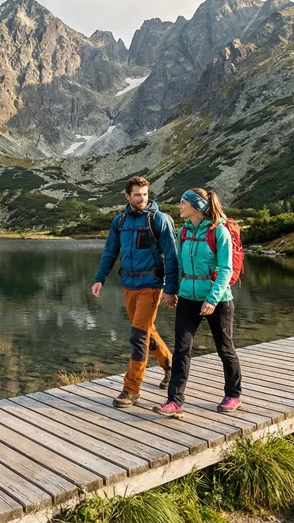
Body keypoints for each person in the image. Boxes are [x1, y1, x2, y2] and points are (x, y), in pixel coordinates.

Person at [91, 176, 180, 408]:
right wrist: (100, 278)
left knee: (138, 336)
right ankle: (169, 364)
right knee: (146, 330)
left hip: (151, 285)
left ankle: (131, 389)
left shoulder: (158, 220)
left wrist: (171, 289)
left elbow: (172, 256)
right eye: (138, 194)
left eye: (145, 194)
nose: (142, 199)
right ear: (127, 196)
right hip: (128, 285)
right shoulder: (119, 222)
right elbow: (110, 251)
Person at [153, 187, 242, 417]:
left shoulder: (218, 232)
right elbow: (180, 266)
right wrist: (172, 291)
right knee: (181, 349)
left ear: (196, 206)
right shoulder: (183, 232)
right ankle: (174, 401)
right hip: (188, 298)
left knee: (225, 348)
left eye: (183, 202)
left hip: (218, 299)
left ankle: (233, 394)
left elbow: (225, 270)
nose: (179, 206)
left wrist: (212, 300)